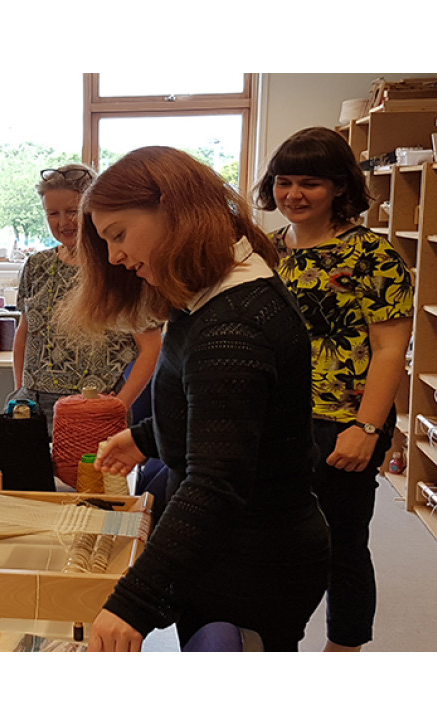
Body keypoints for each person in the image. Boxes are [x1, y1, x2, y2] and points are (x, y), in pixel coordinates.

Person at [60, 146, 330, 652]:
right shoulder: (214, 294)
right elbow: (229, 416)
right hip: (239, 550)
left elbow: (217, 483)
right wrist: (146, 436)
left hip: (254, 565)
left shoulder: (232, 325)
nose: (116, 256)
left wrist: (131, 603)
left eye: (119, 234)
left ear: (173, 211)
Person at [255, 126, 414, 652]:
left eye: (310, 183)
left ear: (340, 187)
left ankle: (343, 650)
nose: (293, 194)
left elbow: (391, 350)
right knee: (275, 538)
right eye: (284, 181)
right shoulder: (265, 251)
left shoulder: (374, 255)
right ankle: (276, 641)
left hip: (346, 420)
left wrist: (367, 428)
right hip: (277, 419)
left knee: (340, 543)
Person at [10, 163, 161, 434]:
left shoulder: (119, 265)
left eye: (72, 212)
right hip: (31, 407)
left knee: (92, 478)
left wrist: (119, 405)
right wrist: (20, 389)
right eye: (52, 213)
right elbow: (25, 332)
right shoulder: (36, 265)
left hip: (95, 408)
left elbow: (151, 348)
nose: (63, 222)